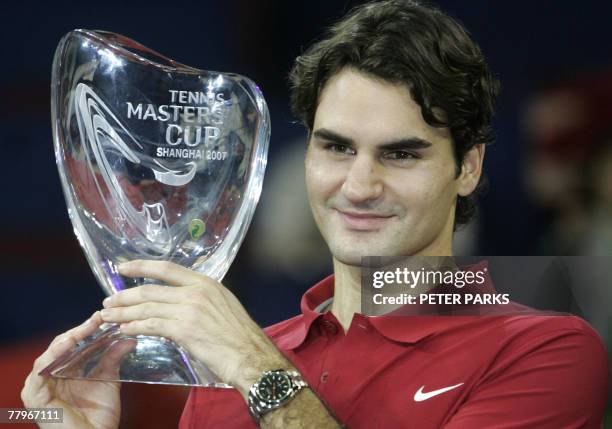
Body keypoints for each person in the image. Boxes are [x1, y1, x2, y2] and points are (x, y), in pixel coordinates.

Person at [22, 1, 608, 428]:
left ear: (469, 167)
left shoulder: (546, 351)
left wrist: (256, 371)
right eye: (336, 147)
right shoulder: (227, 366)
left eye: (401, 154)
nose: (359, 185)